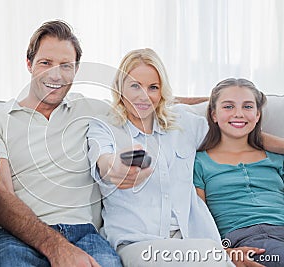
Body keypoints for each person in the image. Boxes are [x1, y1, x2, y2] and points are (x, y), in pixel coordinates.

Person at [0, 20, 122, 266]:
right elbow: (1, 196)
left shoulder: (91, 110)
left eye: (66, 65)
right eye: (46, 63)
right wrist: (56, 248)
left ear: (76, 70)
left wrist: (212, 103)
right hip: (11, 236)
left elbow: (151, 102)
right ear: (29, 64)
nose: (56, 74)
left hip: (83, 234)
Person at [86, 48, 235, 266]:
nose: (144, 95)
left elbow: (236, 133)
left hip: (193, 239)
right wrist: (120, 167)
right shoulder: (103, 127)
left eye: (153, 87)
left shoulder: (183, 122)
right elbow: (106, 163)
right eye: (135, 85)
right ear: (120, 87)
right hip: (137, 243)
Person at [194, 78, 284, 267]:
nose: (238, 114)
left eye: (248, 107)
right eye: (228, 106)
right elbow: (197, 216)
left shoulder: (276, 158)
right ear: (214, 115)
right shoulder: (199, 162)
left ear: (258, 115)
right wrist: (223, 251)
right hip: (243, 241)